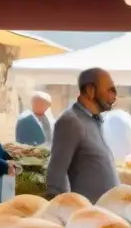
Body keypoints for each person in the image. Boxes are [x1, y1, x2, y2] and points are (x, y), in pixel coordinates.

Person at [46, 68, 120, 202]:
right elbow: (56, 173)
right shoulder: (71, 121)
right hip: (86, 215)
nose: (114, 97)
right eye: (109, 90)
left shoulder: (94, 120)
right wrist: (65, 211)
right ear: (91, 90)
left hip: (102, 214)